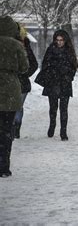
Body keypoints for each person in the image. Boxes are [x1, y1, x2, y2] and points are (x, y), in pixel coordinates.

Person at [35, 30, 78, 141]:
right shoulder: (50, 50)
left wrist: (68, 76)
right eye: (57, 40)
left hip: (65, 83)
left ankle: (63, 131)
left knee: (64, 109)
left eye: (61, 40)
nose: (59, 42)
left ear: (65, 40)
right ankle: (52, 125)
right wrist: (52, 71)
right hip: (53, 82)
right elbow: (45, 65)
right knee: (53, 108)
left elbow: (73, 67)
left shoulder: (69, 51)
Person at [0, 16, 28, 177]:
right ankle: (4, 166)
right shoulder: (16, 45)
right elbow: (24, 67)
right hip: (10, 91)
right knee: (6, 130)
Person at [13, 24, 38, 139]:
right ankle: (13, 126)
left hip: (22, 83)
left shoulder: (27, 48)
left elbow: (34, 64)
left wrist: (24, 74)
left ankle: (16, 127)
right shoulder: (10, 47)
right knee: (14, 106)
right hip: (11, 82)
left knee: (18, 106)